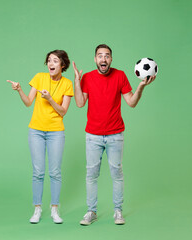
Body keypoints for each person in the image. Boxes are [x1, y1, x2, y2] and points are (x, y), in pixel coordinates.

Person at [73, 44, 155, 226]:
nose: (103, 59)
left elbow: (131, 102)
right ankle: (91, 212)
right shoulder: (87, 77)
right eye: (100, 56)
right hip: (93, 135)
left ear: (111, 59)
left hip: (115, 135)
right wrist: (76, 82)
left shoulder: (120, 76)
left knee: (116, 174)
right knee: (91, 175)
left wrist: (141, 86)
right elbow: (79, 103)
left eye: (107, 56)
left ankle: (118, 211)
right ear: (95, 59)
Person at [7, 50, 74, 224]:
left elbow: (63, 111)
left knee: (55, 172)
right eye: (49, 60)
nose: (51, 63)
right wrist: (20, 90)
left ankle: (54, 209)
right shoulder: (39, 77)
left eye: (55, 61)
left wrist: (50, 99)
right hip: (36, 131)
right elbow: (29, 102)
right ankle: (37, 209)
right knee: (38, 172)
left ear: (63, 65)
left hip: (56, 132)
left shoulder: (67, 84)